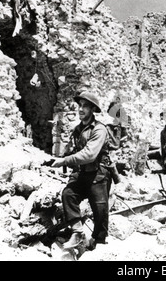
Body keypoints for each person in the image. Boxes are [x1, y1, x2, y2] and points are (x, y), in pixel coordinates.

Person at [51, 91, 112, 250]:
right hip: (82, 173)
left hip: (99, 173)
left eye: (85, 106)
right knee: (68, 194)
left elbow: (89, 154)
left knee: (100, 209)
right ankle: (77, 232)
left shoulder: (100, 129)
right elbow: (72, 152)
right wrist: (56, 159)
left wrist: (64, 161)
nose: (81, 109)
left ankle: (98, 241)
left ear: (92, 109)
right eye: (80, 106)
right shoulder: (78, 130)